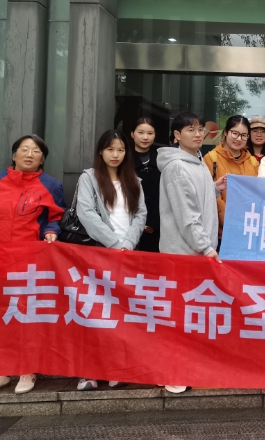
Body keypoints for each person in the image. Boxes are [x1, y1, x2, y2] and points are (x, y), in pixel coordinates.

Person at [0, 135, 65, 397]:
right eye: (24, 149)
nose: (29, 154)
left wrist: (51, 232)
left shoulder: (50, 185)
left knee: (26, 315)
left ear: (42, 159)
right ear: (14, 155)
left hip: (29, 260)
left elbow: (56, 216)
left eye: (36, 151)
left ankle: (27, 369)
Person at [157, 112, 226, 394]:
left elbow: (195, 200)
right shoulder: (176, 167)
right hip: (182, 254)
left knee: (189, 315)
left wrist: (214, 188)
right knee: (177, 316)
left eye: (200, 129)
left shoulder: (196, 162)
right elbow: (187, 215)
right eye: (190, 130)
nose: (197, 134)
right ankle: (170, 372)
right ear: (176, 135)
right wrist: (206, 247)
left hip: (196, 253)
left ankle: (184, 367)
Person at [75, 129, 147, 391]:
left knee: (119, 314)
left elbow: (140, 214)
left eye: (120, 150)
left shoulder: (134, 180)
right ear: (100, 151)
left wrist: (127, 244)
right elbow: (86, 213)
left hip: (127, 255)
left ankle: (117, 368)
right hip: (98, 253)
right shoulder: (89, 178)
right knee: (94, 312)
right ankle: (89, 372)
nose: (115, 154)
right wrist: (115, 244)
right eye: (110, 149)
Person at [203, 115, 259, 238]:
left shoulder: (253, 162)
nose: (239, 139)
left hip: (247, 229)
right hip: (220, 232)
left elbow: (256, 195)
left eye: (244, 135)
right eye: (235, 133)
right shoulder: (211, 158)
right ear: (225, 132)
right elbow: (210, 194)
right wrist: (228, 220)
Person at [131, 118, 161, 252]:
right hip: (129, 224)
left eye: (150, 133)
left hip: (156, 227)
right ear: (132, 134)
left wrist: (153, 222)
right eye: (140, 132)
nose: (145, 137)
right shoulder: (124, 159)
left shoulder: (161, 160)